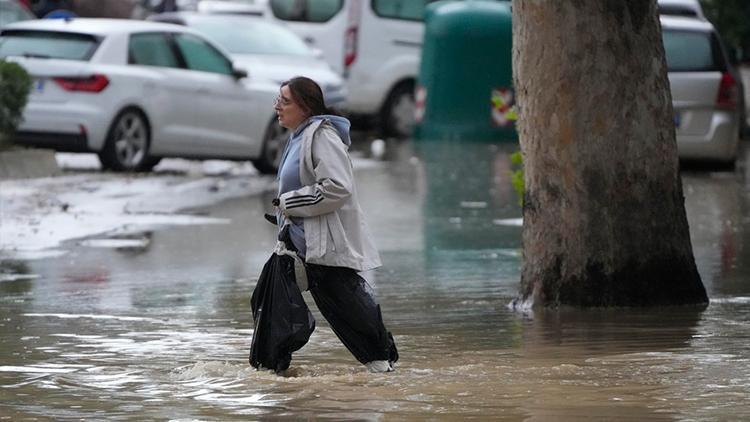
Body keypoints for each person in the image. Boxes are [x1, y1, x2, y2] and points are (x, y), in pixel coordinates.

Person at [271, 76, 398, 373]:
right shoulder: (298, 136)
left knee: (354, 317)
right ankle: (274, 376)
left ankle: (385, 374)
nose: (277, 106)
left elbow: (338, 188)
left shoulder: (322, 136)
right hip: (296, 246)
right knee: (270, 307)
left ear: (305, 107)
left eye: (285, 101)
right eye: (278, 100)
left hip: (322, 248)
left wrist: (290, 203)